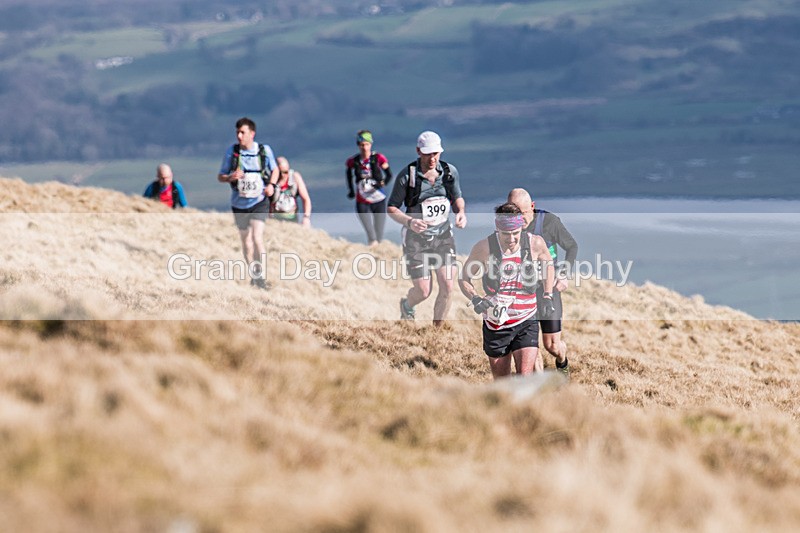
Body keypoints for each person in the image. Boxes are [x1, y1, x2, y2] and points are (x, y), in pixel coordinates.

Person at [459, 203, 555, 380]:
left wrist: (547, 295)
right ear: (497, 228)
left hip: (527, 319)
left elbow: (548, 266)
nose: (511, 239)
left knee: (524, 377)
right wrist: (475, 298)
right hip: (497, 324)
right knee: (502, 383)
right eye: (505, 234)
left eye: (515, 233)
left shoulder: (535, 243)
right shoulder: (484, 248)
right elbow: (464, 278)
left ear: (522, 227)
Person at [387, 130, 467, 327]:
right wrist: (409, 222)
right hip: (416, 239)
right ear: (418, 151)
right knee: (423, 291)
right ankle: (407, 305)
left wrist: (460, 212)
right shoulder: (408, 176)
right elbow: (391, 208)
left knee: (448, 285)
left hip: (442, 236)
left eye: (435, 153)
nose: (432, 158)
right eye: (427, 154)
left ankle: (437, 331)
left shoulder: (449, 172)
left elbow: (457, 197)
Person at [508, 188, 578, 379]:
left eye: (522, 213)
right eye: (514, 214)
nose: (518, 219)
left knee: (552, 345)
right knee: (530, 344)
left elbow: (572, 246)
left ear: (532, 206)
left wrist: (563, 274)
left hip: (548, 288)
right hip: (523, 291)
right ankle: (541, 385)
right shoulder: (508, 226)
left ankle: (562, 362)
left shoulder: (549, 222)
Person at [217, 117, 279, 290]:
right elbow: (220, 176)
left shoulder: (264, 150)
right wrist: (230, 177)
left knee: (257, 238)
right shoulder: (232, 152)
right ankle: (254, 275)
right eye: (237, 132)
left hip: (259, 201)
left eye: (242, 132)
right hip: (239, 203)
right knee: (246, 242)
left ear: (252, 133)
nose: (239, 136)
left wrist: (271, 185)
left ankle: (262, 276)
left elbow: (275, 169)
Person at [346, 130, 393, 246]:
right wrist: (351, 191)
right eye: (362, 145)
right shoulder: (353, 161)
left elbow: (389, 175)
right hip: (362, 200)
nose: (364, 148)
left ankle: (379, 252)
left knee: (379, 234)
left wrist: (382, 183)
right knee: (371, 235)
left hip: (378, 198)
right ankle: (372, 247)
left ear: (371, 144)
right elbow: (348, 175)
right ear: (358, 145)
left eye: (366, 144)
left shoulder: (378, 158)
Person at [270, 156, 312, 227]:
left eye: (285, 172)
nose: (283, 175)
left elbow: (306, 199)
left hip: (292, 218)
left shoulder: (295, 178)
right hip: (274, 219)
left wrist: (306, 217)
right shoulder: (271, 180)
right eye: (280, 172)